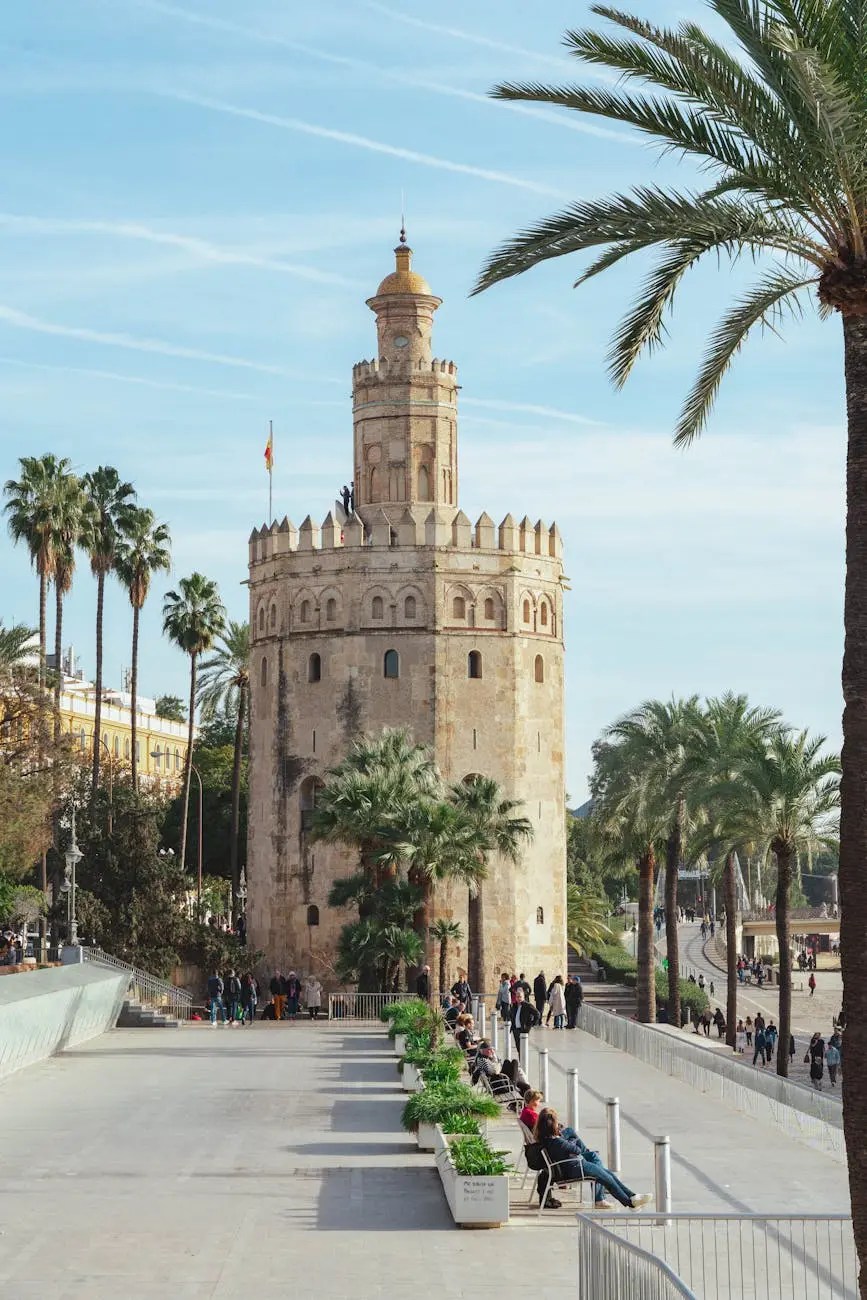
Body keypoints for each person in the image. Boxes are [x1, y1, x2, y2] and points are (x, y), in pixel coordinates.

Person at [534, 1108, 652, 1211]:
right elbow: (577, 1150)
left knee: (607, 1173)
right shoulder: (558, 1142)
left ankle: (633, 1196)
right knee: (607, 1179)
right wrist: (570, 1140)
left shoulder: (546, 1139)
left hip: (572, 1165)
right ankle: (630, 1203)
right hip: (576, 1167)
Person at [510, 988, 539, 1053]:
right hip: (516, 1030)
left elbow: (537, 1014)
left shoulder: (527, 1005)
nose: (519, 998)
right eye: (517, 997)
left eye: (520, 997)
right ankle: (521, 1061)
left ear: (523, 997)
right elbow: (511, 1015)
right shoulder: (514, 1006)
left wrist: (531, 1024)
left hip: (523, 1029)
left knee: (523, 1048)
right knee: (518, 1048)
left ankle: (524, 1062)